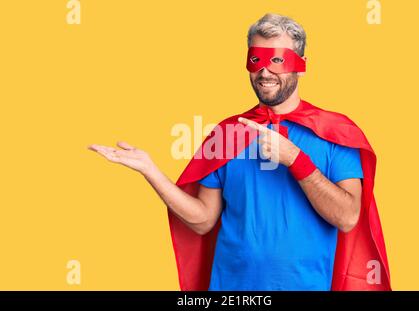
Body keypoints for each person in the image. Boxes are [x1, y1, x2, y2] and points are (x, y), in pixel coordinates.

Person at [88, 13, 390, 291]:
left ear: (301, 63)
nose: (265, 71)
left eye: (277, 60)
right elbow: (203, 218)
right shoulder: (228, 132)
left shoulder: (334, 132)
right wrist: (150, 170)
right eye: (256, 59)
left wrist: (296, 160)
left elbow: (348, 217)